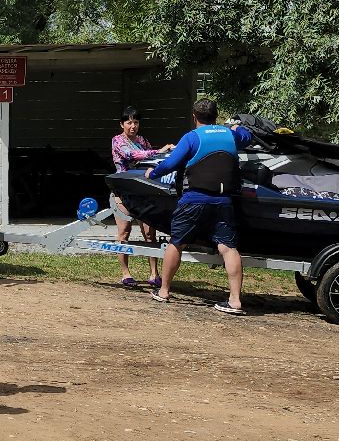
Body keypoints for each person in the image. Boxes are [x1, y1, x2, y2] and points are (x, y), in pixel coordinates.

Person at [144, 97, 254, 315]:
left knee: (177, 243)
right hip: (224, 202)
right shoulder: (230, 134)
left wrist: (152, 173)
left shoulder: (192, 137)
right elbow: (247, 136)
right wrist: (236, 128)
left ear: (194, 117)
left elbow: (171, 163)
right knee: (228, 248)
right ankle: (234, 301)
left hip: (194, 200)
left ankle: (164, 290)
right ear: (216, 116)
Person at [109, 106, 172, 287]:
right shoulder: (117, 141)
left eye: (136, 122)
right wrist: (158, 151)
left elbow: (150, 161)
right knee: (124, 232)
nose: (133, 126)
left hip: (143, 192)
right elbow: (132, 155)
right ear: (122, 124)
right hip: (123, 192)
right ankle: (126, 273)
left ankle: (154, 273)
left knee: (149, 233)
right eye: (129, 122)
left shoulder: (142, 140)